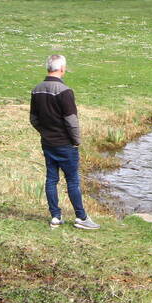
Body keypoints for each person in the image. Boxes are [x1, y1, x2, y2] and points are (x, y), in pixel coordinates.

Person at [30, 54, 100, 230]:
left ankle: (55, 216)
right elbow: (71, 121)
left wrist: (45, 133)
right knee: (72, 181)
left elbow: (33, 119)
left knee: (51, 179)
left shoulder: (36, 90)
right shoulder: (65, 92)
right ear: (62, 69)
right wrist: (76, 141)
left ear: (48, 68)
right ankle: (81, 217)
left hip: (47, 142)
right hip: (65, 144)